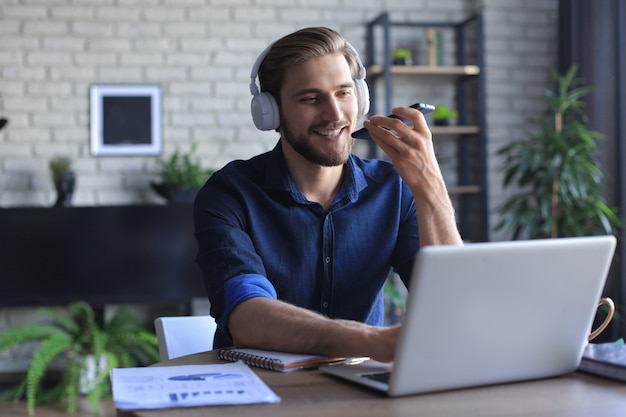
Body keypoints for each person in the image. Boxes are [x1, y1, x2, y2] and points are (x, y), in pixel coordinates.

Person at [193, 27, 462, 363]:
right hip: (258, 391)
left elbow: (452, 302)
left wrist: (430, 185)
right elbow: (247, 316)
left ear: (361, 97)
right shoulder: (229, 194)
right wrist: (373, 340)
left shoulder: (394, 188)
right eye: (311, 98)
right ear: (270, 112)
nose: (335, 114)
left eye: (344, 93)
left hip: (361, 389)